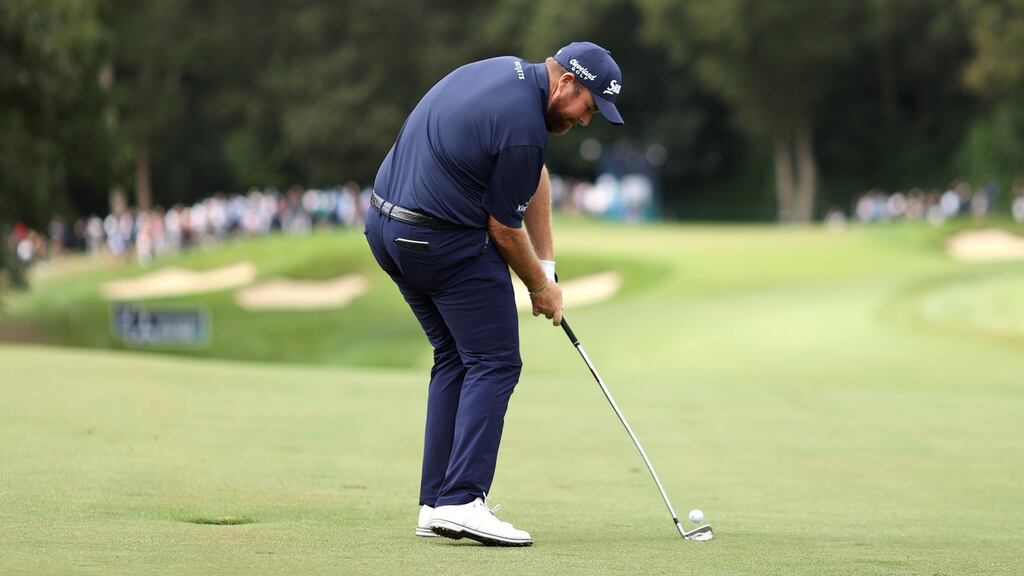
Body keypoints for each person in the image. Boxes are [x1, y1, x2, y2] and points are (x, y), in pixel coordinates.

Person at [364, 41, 624, 547]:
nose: (586, 121)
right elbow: (505, 231)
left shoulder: (507, 78)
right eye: (588, 108)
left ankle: (435, 502)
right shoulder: (526, 126)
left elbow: (533, 174)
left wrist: (547, 267)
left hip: (384, 230)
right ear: (567, 83)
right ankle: (462, 499)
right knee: (496, 361)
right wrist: (539, 289)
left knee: (456, 358)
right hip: (439, 238)